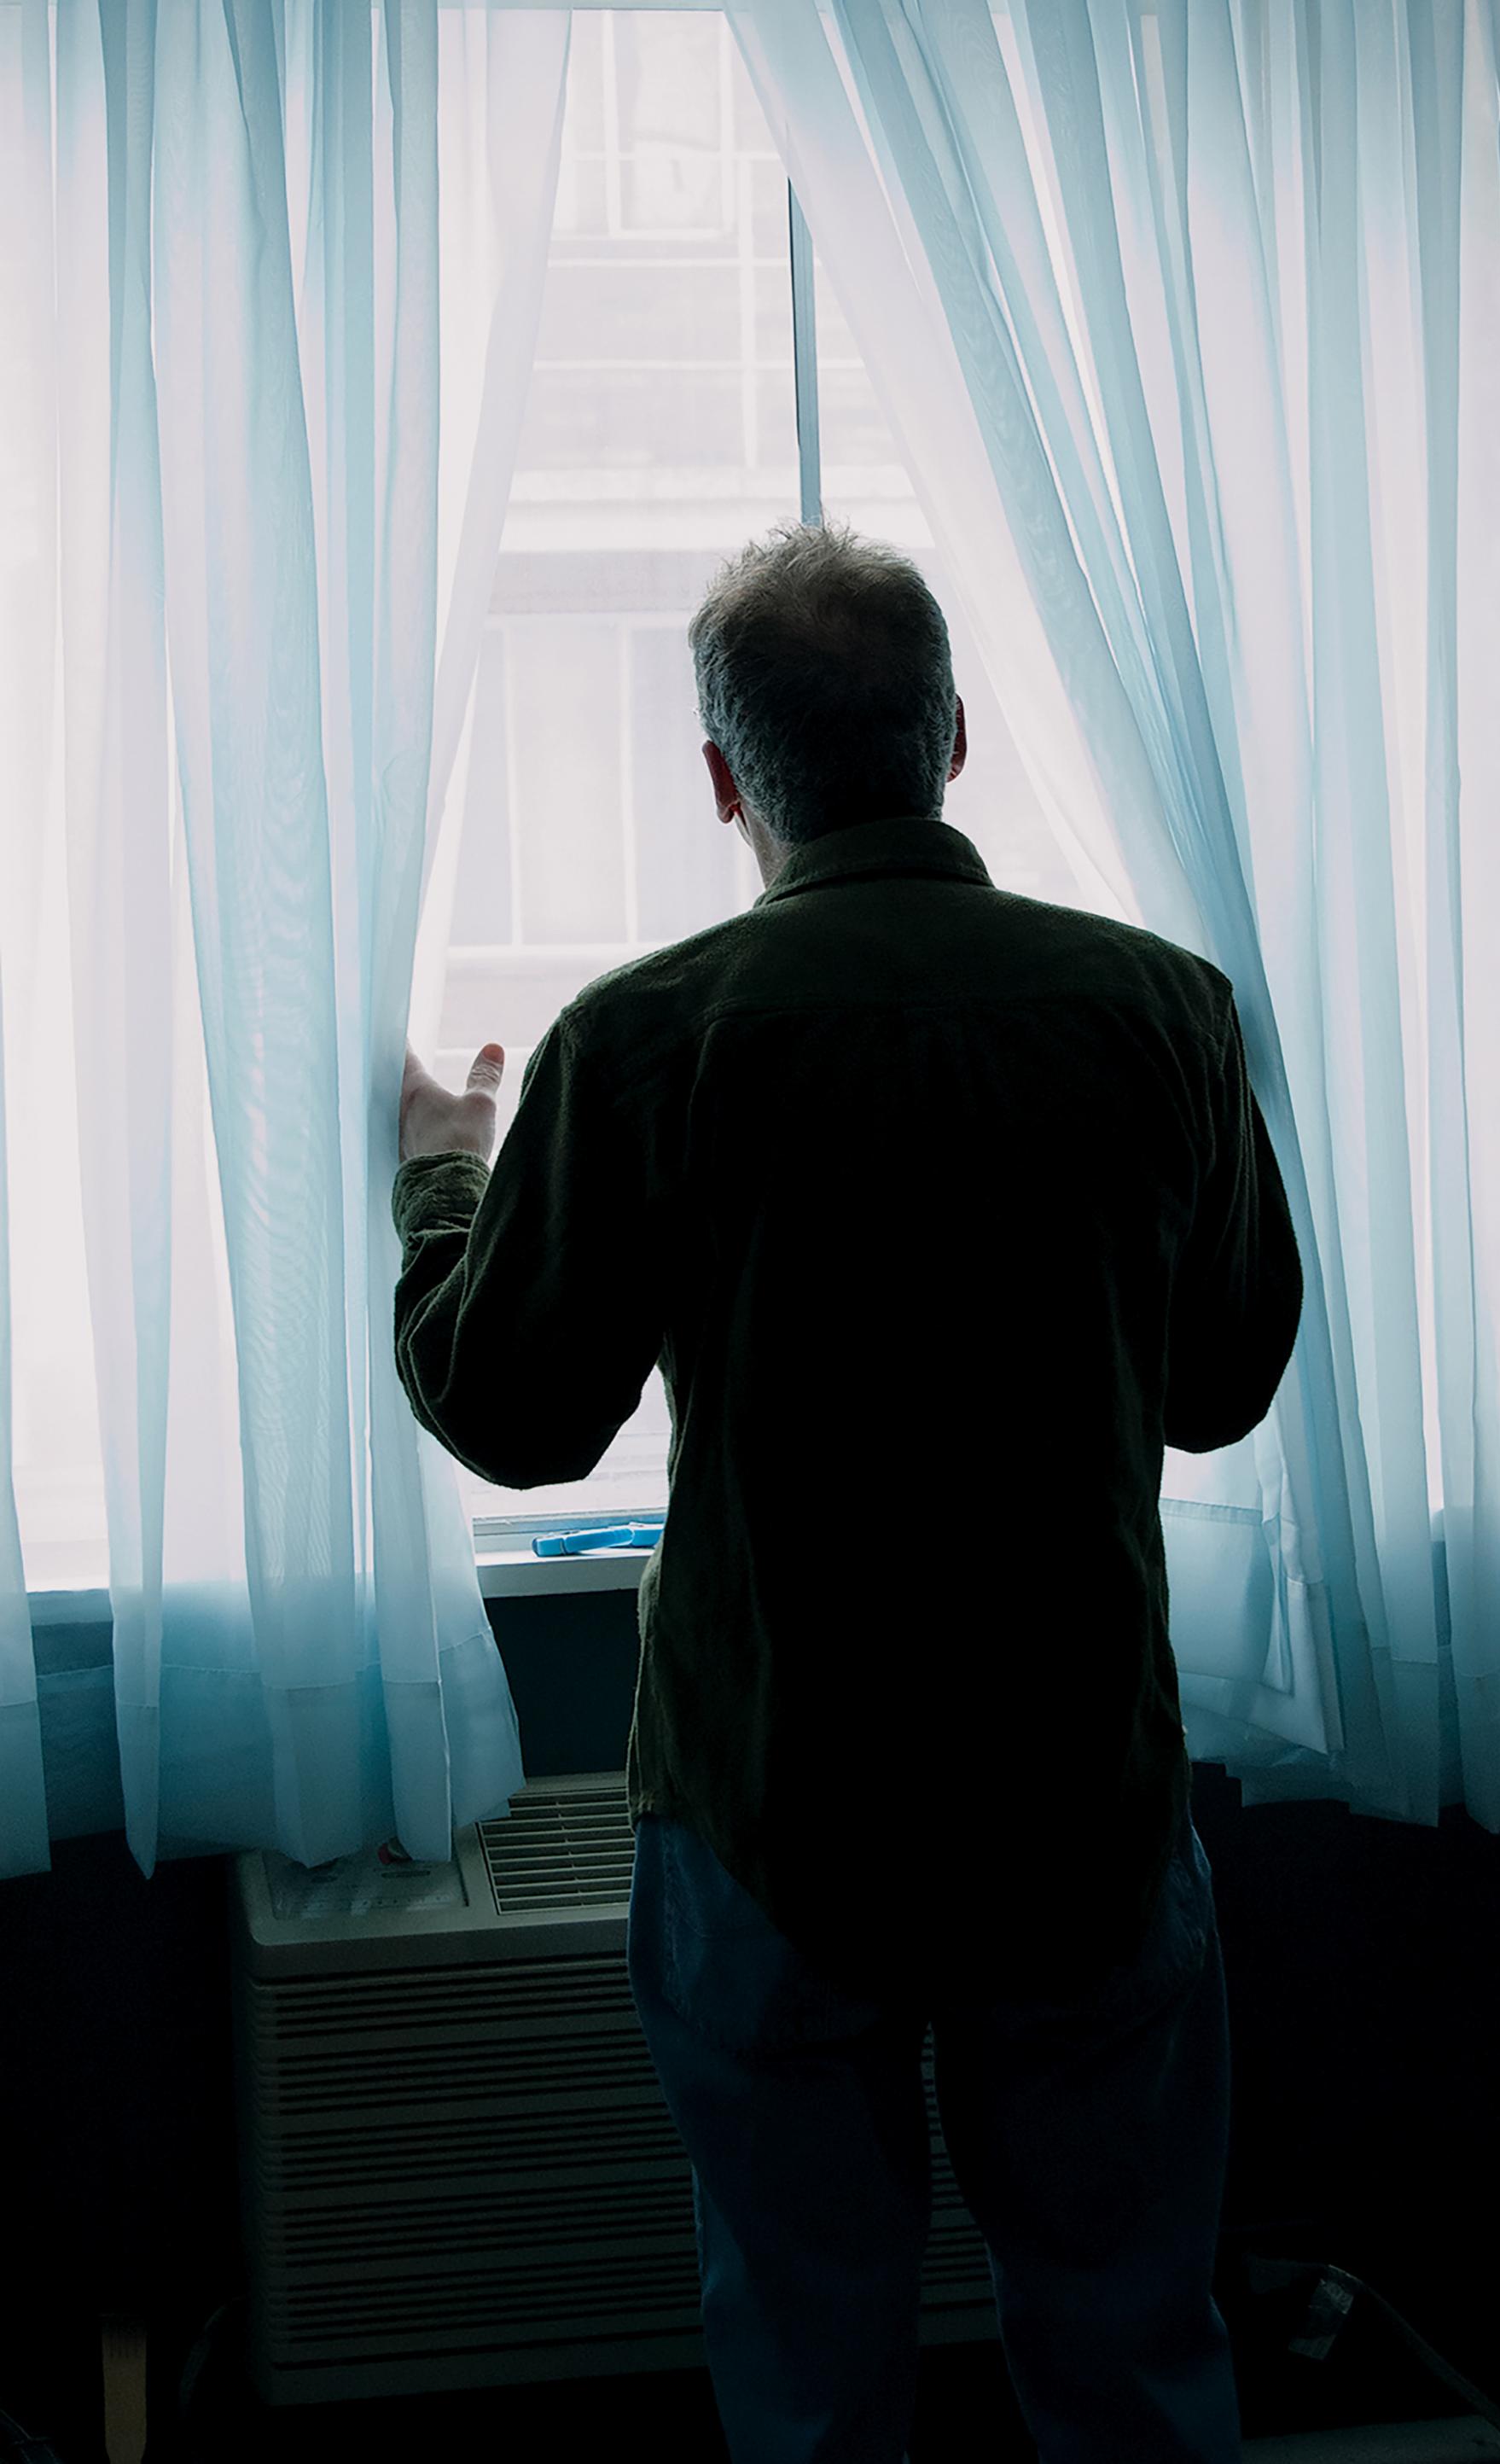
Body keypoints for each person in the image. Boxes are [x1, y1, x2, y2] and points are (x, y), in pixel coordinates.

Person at [393, 516, 1304, 2464]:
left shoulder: (646, 1039)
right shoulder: (1166, 1011)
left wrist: (443, 1176)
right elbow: (1224, 1386)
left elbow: (511, 1413)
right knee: (1133, 2341)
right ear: (954, 736)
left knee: (812, 2372)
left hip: (775, 1802)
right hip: (1080, 1792)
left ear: (725, 780)